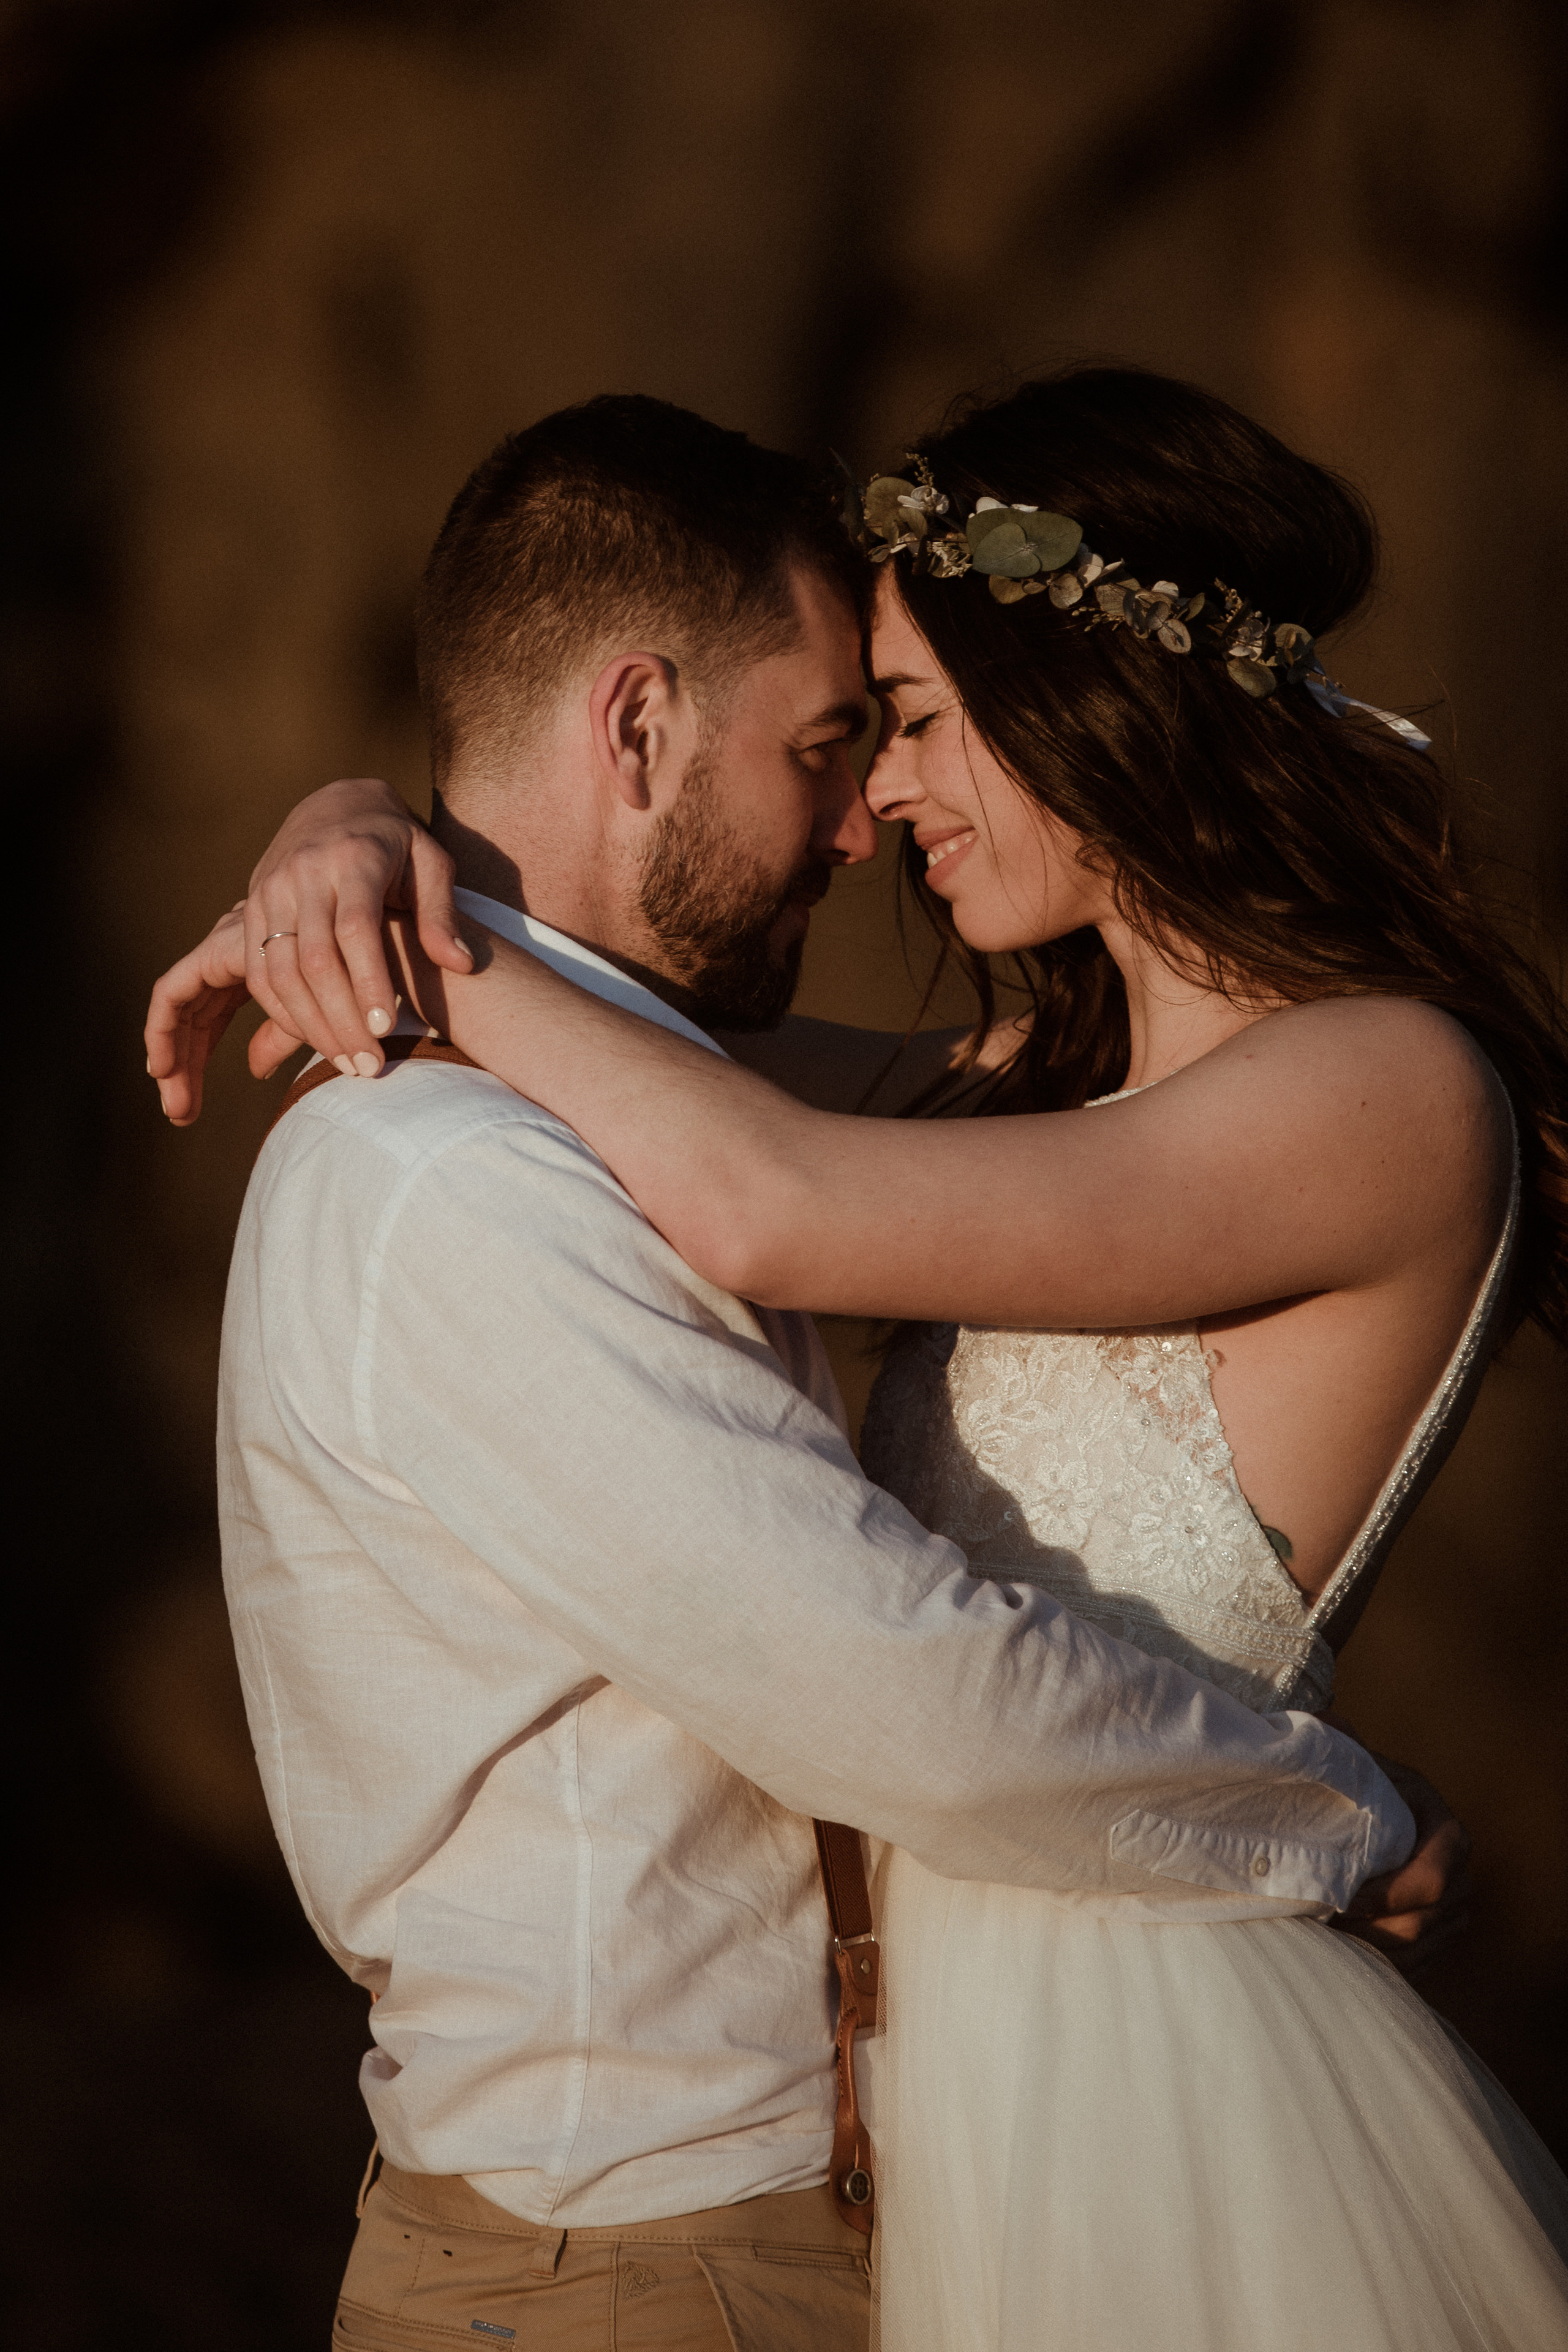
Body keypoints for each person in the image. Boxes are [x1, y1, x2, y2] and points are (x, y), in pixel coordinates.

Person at [151, 372, 1568, 2348]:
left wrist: (398, 892)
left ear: (1092, 704)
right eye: (845, 735)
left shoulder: (1346, 1094)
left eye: (902, 727)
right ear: (641, 724)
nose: (871, 813)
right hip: (800, 2173)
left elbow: (757, 1180)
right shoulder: (898, 1115)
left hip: (1096, 2075)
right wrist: (362, 841)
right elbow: (695, 1116)